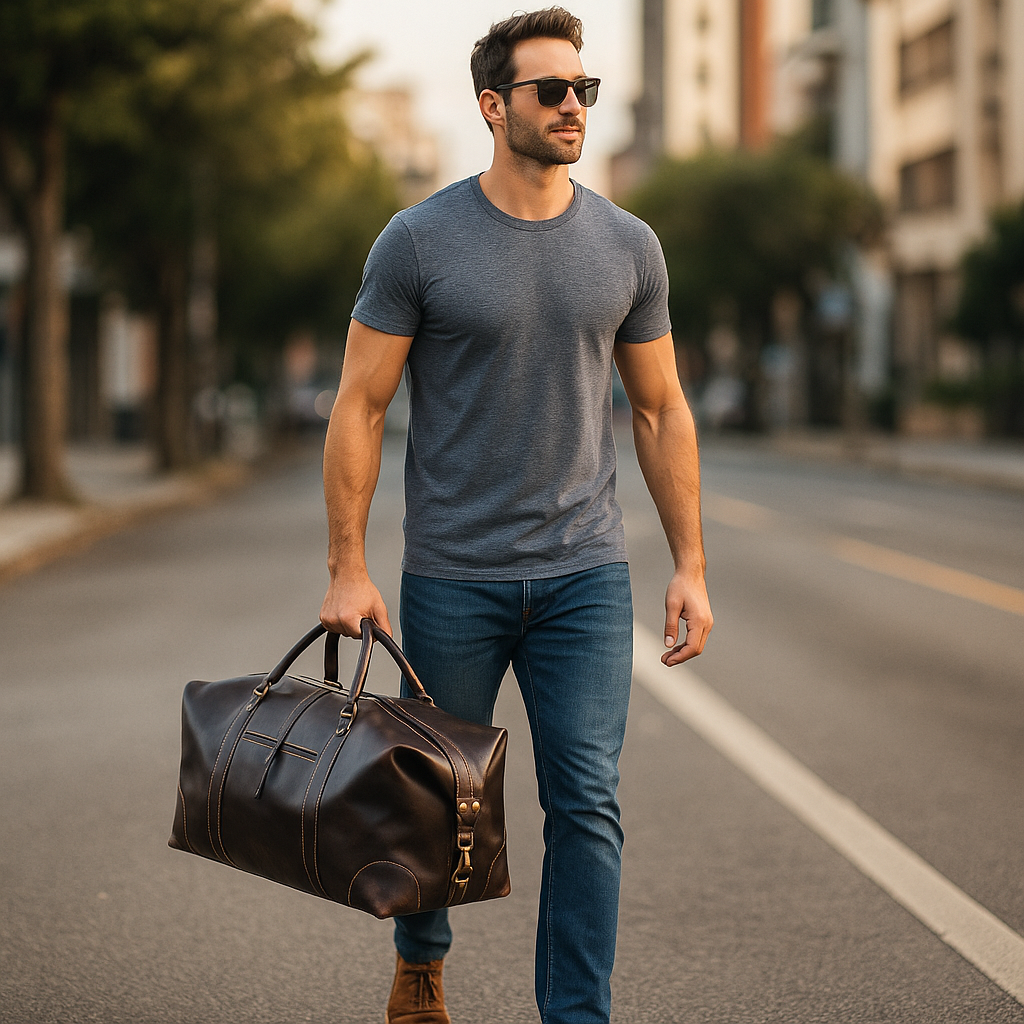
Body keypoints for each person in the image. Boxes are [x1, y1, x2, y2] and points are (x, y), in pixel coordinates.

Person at [319, 7, 713, 1023]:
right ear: (495, 107)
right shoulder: (418, 240)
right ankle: (421, 959)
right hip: (453, 575)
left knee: (586, 802)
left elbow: (662, 410)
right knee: (435, 796)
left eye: (584, 88)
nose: (573, 105)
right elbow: (360, 405)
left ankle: (574, 1013)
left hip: (585, 574)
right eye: (552, 90)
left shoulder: (628, 245)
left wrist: (689, 565)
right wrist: (348, 568)